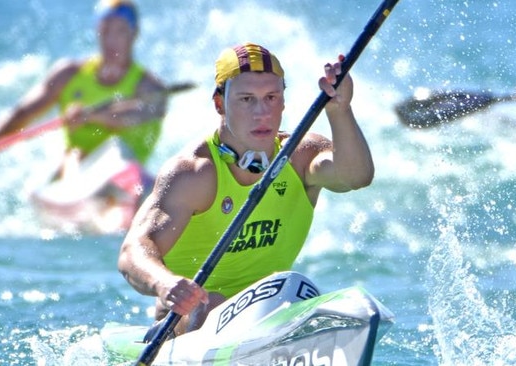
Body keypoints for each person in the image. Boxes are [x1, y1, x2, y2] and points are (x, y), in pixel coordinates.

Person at [117, 42, 374, 339]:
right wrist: (164, 283)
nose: (262, 112)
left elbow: (356, 176)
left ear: (283, 101)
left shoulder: (301, 156)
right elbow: (132, 251)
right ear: (219, 104)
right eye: (246, 99)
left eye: (271, 97)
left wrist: (340, 110)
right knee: (211, 302)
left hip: (270, 314)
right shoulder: (195, 174)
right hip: (188, 328)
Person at [0, 0, 167, 230]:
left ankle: (119, 203)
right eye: (105, 30)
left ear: (134, 34)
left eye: (120, 31)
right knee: (67, 161)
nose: (111, 40)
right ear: (97, 32)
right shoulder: (68, 75)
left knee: (118, 149)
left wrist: (92, 116)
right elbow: (23, 112)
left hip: (126, 174)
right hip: (77, 165)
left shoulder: (151, 88)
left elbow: (138, 115)